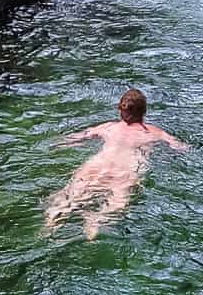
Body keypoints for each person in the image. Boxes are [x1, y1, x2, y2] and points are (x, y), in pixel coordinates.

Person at [44, 88, 188, 240]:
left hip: (97, 165)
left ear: (120, 109)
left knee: (71, 196)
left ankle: (51, 223)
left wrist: (56, 144)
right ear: (144, 111)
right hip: (126, 170)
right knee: (117, 205)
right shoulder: (154, 132)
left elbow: (77, 138)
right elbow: (180, 148)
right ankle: (95, 219)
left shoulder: (108, 127)